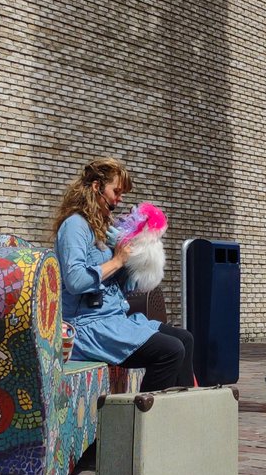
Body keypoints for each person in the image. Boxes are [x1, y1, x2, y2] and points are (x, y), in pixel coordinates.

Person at [52, 156, 194, 391]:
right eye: (116, 192)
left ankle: (184, 415)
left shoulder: (103, 226)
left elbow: (121, 285)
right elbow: (75, 280)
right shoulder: (75, 226)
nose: (118, 200)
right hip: (87, 327)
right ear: (96, 187)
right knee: (170, 351)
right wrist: (117, 260)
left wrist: (139, 253)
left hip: (114, 318)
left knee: (185, 340)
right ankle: (145, 421)